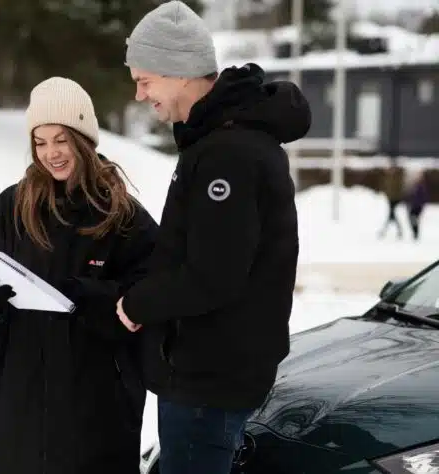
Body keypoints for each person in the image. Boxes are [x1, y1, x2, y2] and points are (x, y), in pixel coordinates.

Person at [115, 2, 312, 473]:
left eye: (145, 81)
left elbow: (213, 275)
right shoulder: (221, 142)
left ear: (180, 73)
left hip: (209, 378)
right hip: (212, 370)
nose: (141, 95)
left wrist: (138, 303)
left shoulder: (228, 154)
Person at [0, 76, 158, 474]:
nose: (51, 153)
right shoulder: (8, 210)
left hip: (95, 418)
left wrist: (87, 296)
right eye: (40, 142)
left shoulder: (123, 217)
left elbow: (154, 296)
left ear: (83, 139)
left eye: (61, 139)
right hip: (7, 418)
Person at [378, 162, 404, 239]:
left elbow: (397, 189)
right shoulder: (388, 177)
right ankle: (397, 231)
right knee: (392, 215)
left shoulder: (397, 178)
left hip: (395, 199)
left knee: (391, 214)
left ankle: (384, 231)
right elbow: (386, 187)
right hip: (390, 198)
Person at [406, 170, 429, 240]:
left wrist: (420, 204)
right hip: (413, 205)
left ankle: (416, 233)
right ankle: (415, 233)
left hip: (418, 206)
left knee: (414, 218)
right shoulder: (413, 186)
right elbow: (410, 196)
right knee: (412, 219)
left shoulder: (421, 186)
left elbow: (424, 197)